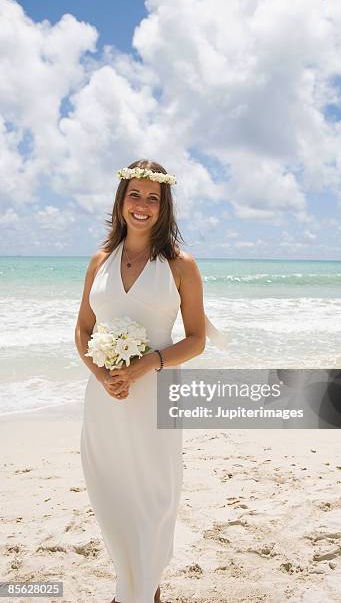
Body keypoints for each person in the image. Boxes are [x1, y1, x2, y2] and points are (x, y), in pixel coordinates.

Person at [75, 159, 207, 602]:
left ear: (164, 206)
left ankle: (139, 589)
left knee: (154, 496)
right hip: (105, 400)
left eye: (153, 198)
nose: (143, 206)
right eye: (135, 194)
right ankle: (133, 587)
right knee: (111, 493)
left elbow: (197, 339)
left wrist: (147, 364)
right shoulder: (100, 261)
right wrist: (103, 374)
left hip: (155, 396)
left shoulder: (180, 265)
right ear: (121, 200)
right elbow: (82, 330)